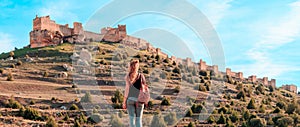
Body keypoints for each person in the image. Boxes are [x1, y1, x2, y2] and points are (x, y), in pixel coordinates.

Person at [123, 59, 146, 127]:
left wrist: (124, 102)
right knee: (139, 120)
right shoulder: (141, 76)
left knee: (131, 120)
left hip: (130, 100)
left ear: (130, 67)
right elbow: (144, 88)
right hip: (140, 100)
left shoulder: (128, 76)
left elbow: (127, 90)